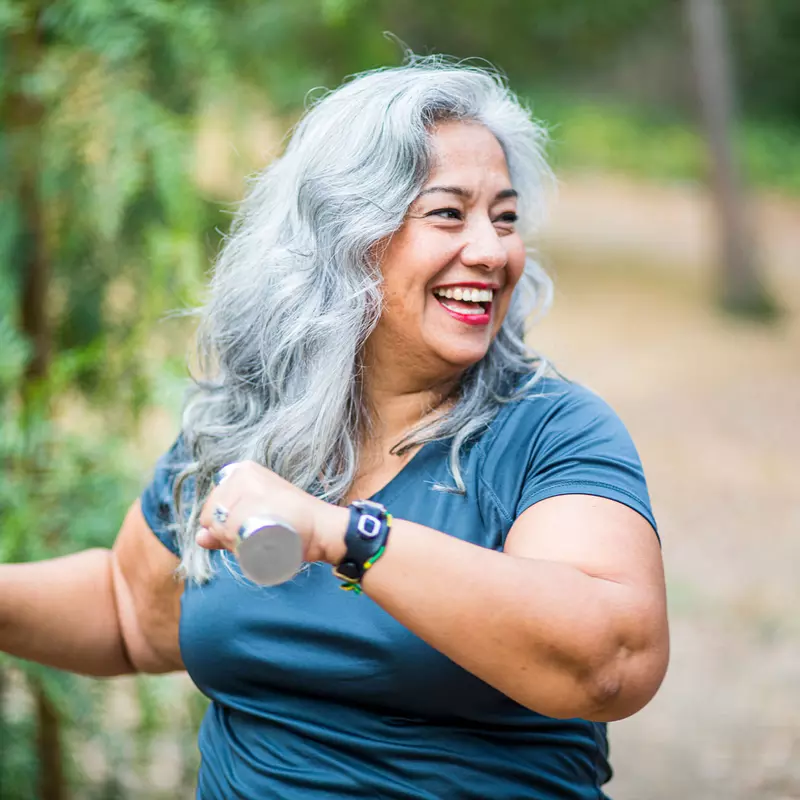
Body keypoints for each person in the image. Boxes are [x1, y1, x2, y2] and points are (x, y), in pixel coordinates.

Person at [0, 56, 669, 799]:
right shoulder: (247, 423)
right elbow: (131, 611)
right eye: (449, 212)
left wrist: (344, 537)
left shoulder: (550, 432)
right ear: (345, 235)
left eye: (504, 217)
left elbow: (610, 661)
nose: (492, 250)